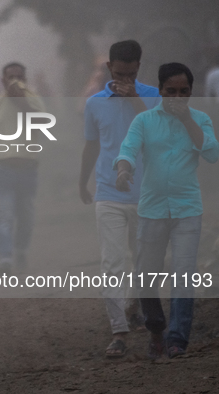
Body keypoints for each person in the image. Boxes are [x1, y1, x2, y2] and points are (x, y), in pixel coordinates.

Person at [114, 62, 219, 359]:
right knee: (147, 273)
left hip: (188, 209)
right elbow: (128, 149)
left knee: (184, 273)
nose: (177, 97)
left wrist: (187, 120)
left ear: (191, 92)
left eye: (183, 92)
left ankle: (177, 338)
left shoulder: (200, 119)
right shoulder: (145, 121)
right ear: (160, 90)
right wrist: (123, 171)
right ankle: (156, 328)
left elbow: (212, 153)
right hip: (152, 209)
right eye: (171, 91)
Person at [79, 40, 161, 358]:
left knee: (143, 261)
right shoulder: (95, 103)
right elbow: (91, 146)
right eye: (120, 72)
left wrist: (136, 98)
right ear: (109, 67)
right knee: (111, 263)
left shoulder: (154, 95)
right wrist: (81, 182)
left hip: (147, 194)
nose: (125, 78)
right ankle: (118, 331)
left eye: (131, 72)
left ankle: (134, 303)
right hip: (108, 193)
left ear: (139, 67)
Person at [0, 62, 46, 275]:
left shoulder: (34, 100)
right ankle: (5, 259)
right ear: (3, 80)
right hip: (2, 168)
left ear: (25, 80)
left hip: (28, 168)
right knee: (5, 215)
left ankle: (20, 250)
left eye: (19, 77)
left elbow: (42, 124)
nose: (15, 80)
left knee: (26, 215)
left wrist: (21, 102)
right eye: (10, 77)